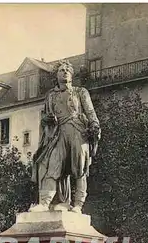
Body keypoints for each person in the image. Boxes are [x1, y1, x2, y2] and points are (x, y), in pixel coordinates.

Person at [30, 60, 101, 213]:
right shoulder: (50, 96)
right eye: (61, 70)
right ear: (56, 75)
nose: (65, 72)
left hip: (78, 131)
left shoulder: (80, 92)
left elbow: (90, 112)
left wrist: (94, 126)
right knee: (52, 164)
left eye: (67, 70)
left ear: (72, 75)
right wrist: (46, 120)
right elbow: (44, 116)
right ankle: (45, 202)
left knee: (80, 167)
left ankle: (77, 205)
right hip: (58, 132)